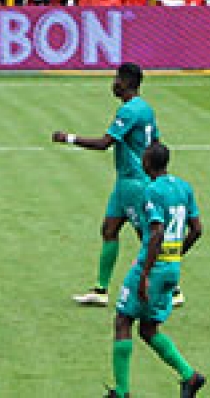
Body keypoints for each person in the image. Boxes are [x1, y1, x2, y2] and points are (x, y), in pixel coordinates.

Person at [52, 63, 164, 306]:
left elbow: (104, 143)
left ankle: (172, 289)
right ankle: (100, 290)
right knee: (109, 230)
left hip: (134, 183)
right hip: (125, 182)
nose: (113, 84)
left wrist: (68, 138)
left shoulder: (129, 111)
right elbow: (156, 142)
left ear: (126, 82)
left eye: (116, 79)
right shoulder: (145, 108)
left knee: (147, 236)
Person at [108, 141, 208, 398]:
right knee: (148, 329)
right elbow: (197, 229)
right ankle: (190, 376)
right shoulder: (184, 187)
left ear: (147, 163)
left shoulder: (151, 191)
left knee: (123, 320)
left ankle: (122, 392)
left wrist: (145, 275)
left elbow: (157, 232)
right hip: (171, 268)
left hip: (152, 267)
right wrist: (176, 255)